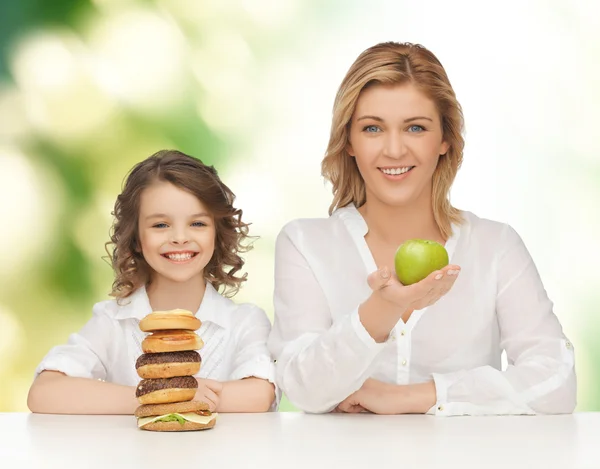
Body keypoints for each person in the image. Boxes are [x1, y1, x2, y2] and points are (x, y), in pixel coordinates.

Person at [267, 42, 576, 416]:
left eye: (415, 127)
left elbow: (556, 380)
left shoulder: (496, 246)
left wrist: (417, 396)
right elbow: (302, 390)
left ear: (445, 139)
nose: (394, 150)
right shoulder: (304, 244)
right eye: (372, 128)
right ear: (349, 141)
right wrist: (382, 309)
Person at [28, 150, 277, 414]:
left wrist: (179, 395)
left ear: (218, 232)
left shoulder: (244, 322)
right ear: (135, 236)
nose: (180, 237)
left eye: (197, 223)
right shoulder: (113, 323)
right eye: (160, 225)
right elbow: (44, 393)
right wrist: (155, 396)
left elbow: (260, 394)